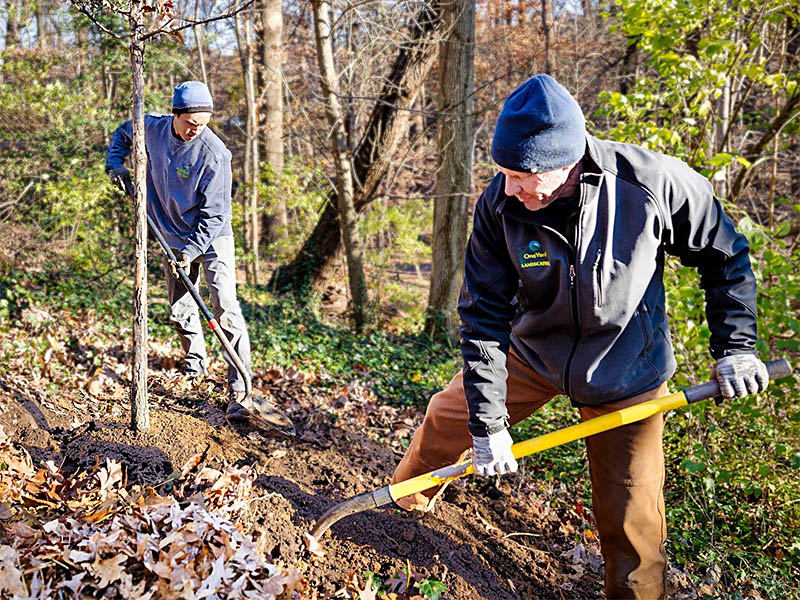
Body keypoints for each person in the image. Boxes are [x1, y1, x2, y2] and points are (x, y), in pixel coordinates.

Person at [392, 74, 769, 599]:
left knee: (631, 516)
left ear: (566, 163)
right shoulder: (499, 206)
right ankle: (396, 520)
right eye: (503, 173)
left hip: (626, 367)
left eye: (524, 176)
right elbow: (483, 319)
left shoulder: (651, 183)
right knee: (444, 420)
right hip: (532, 352)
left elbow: (725, 255)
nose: (511, 188)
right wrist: (489, 423)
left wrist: (736, 349)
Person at [105, 80, 254, 419]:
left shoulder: (215, 154)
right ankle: (194, 371)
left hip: (212, 237)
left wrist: (190, 251)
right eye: (190, 124)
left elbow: (216, 213)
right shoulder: (153, 129)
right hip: (170, 234)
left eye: (202, 124)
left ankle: (240, 392)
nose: (195, 130)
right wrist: (116, 164)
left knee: (225, 307)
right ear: (176, 115)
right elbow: (122, 134)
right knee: (181, 308)